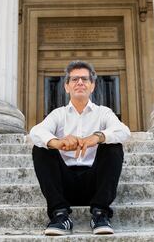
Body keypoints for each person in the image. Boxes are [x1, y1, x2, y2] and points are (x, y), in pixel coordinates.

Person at [30, 60, 131, 236]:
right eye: (75, 79)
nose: (80, 83)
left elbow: (123, 131)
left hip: (95, 183)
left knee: (113, 144)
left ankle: (100, 214)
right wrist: (57, 142)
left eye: (85, 79)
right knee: (41, 147)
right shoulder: (58, 114)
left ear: (92, 86)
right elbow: (36, 131)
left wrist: (97, 137)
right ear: (66, 86)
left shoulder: (103, 112)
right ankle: (60, 215)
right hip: (64, 183)